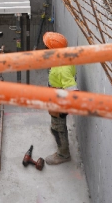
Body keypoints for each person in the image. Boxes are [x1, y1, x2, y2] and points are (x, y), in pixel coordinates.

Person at [43, 32, 78, 165]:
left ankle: (63, 154)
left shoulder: (62, 68)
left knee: (58, 127)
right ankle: (59, 140)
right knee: (55, 125)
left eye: (46, 47)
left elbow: (72, 88)